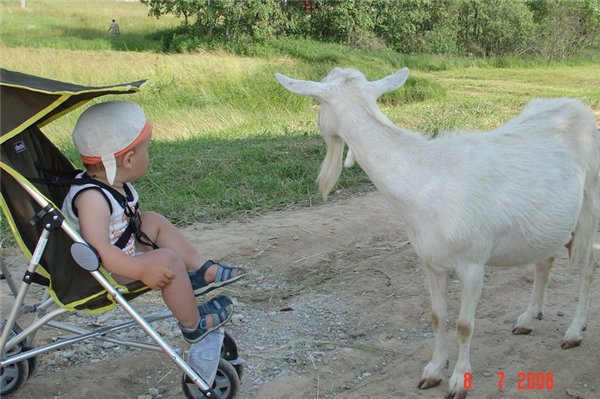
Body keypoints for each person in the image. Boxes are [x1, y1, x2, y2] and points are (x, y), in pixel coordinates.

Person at [61, 101, 246, 343]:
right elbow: (99, 249)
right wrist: (143, 270)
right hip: (109, 269)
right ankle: (193, 324)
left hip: (121, 251)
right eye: (146, 150)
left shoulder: (109, 182)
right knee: (167, 258)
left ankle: (201, 271)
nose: (149, 155)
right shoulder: (92, 199)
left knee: (152, 220)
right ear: (128, 160)